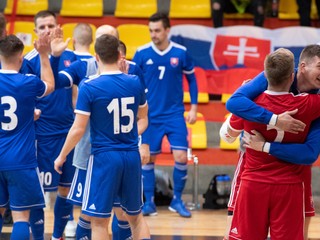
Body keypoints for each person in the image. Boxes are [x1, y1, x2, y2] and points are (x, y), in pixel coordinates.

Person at [54, 33, 150, 240]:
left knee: (98, 220)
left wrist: (62, 156)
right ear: (119, 54)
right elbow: (144, 119)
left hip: (104, 158)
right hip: (131, 156)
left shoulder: (89, 85)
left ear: (96, 57)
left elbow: (78, 129)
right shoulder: (134, 82)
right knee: (136, 217)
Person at [226, 44, 320, 239]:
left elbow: (234, 105)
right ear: (300, 68)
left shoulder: (257, 96)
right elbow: (234, 104)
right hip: (275, 172)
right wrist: (276, 120)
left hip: (288, 169)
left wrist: (265, 144)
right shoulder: (308, 101)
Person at [132, 13, 198, 218]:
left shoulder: (181, 53)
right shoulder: (141, 53)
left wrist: (194, 107)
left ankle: (177, 200)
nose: (154, 34)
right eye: (151, 30)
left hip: (174, 114)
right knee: (148, 159)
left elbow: (192, 81)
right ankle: (149, 202)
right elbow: (133, 83)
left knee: (180, 157)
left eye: (157, 30)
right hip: (150, 116)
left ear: (168, 30)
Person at [21, 10, 77, 240]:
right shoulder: (26, 62)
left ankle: (57, 236)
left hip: (67, 133)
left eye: (50, 26)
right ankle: (38, 236)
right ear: (35, 32)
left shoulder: (72, 57)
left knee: (65, 190)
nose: (46, 30)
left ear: (58, 27)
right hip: (40, 136)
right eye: (41, 27)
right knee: (37, 193)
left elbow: (70, 87)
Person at [0, 34, 54, 239]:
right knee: (21, 217)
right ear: (21, 59)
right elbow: (49, 84)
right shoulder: (29, 82)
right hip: (20, 160)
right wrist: (43, 54)